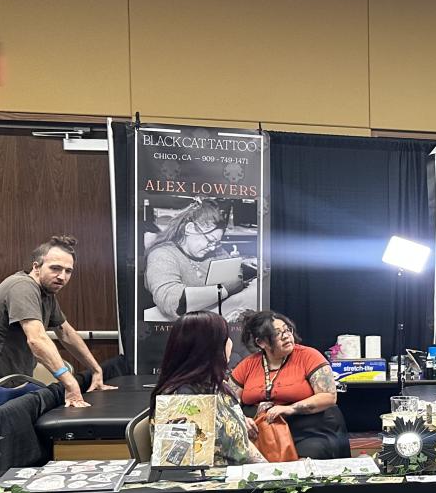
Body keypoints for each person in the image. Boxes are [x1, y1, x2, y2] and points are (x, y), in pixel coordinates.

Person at [0, 235, 116, 407]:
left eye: (68, 271)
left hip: (14, 384)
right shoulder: (22, 287)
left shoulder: (46, 293)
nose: (62, 276)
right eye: (55, 268)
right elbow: (37, 339)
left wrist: (96, 370)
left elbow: (66, 333)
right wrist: (70, 382)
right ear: (36, 267)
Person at [230, 310, 350, 459]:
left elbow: (328, 396)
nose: (286, 336)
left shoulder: (309, 356)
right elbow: (229, 403)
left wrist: (290, 408)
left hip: (308, 431)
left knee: (306, 459)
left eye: (287, 330)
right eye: (277, 333)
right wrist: (242, 419)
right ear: (261, 342)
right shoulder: (247, 365)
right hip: (260, 432)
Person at [151, 311, 265, 466]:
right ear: (210, 348)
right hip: (218, 479)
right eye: (226, 338)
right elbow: (183, 466)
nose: (231, 343)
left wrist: (267, 469)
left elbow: (242, 445)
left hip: (239, 473)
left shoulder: (217, 386)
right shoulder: (182, 400)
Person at [144, 199, 257, 321]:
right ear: (190, 228)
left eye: (216, 243)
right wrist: (223, 289)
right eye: (210, 240)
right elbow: (173, 302)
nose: (212, 247)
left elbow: (235, 276)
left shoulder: (215, 251)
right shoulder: (162, 254)